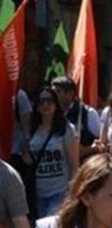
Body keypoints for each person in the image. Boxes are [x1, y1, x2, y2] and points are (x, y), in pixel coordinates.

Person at [26, 86, 80, 218]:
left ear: (56, 104)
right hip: (39, 191)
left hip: (60, 191)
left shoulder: (66, 129)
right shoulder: (32, 130)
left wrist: (73, 190)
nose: (45, 105)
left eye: (49, 101)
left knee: (52, 226)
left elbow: (74, 163)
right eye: (41, 101)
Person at [53, 76, 102, 158]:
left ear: (70, 93)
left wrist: (89, 149)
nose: (53, 96)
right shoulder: (51, 114)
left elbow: (100, 142)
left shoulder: (87, 113)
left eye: (57, 92)